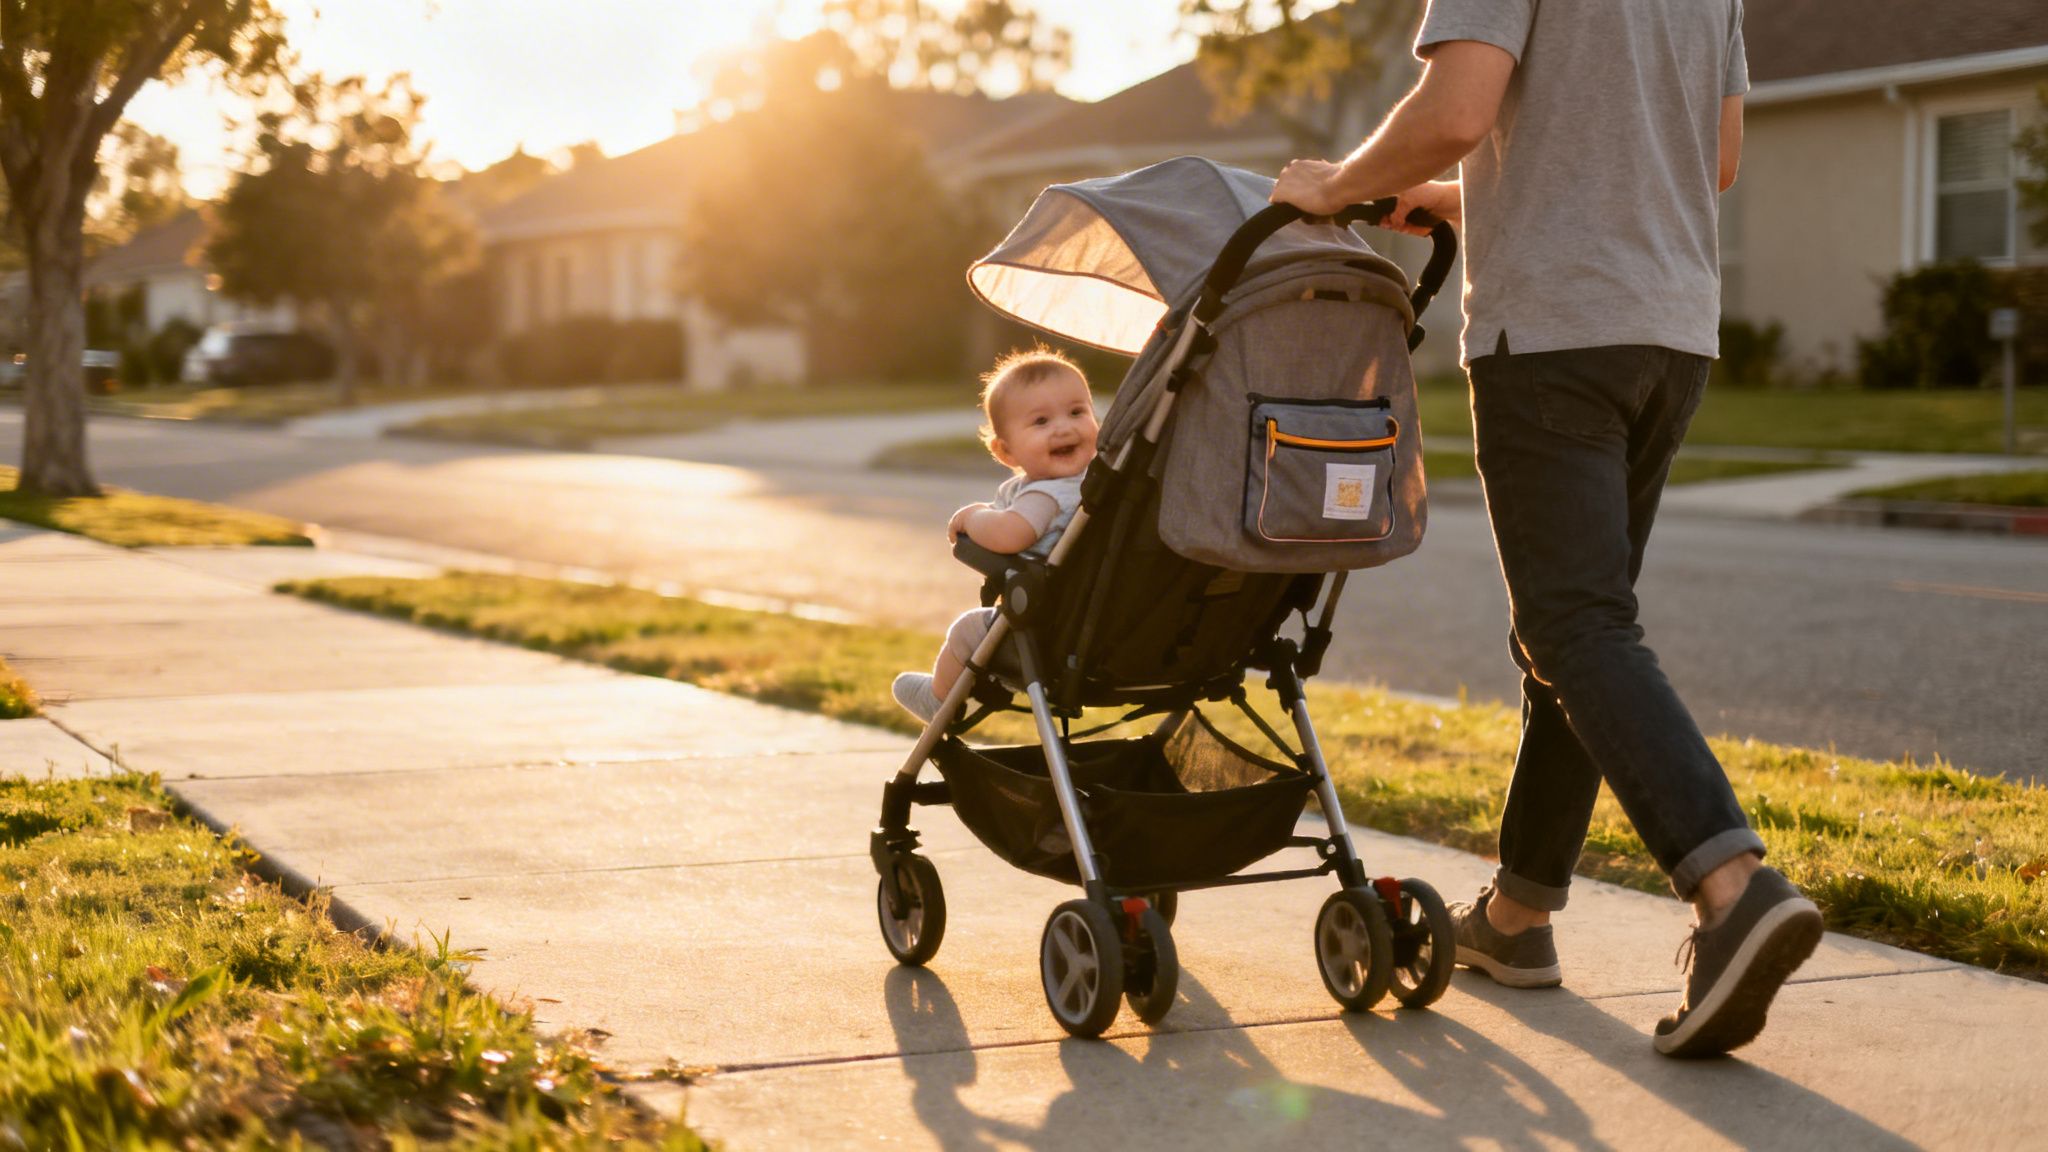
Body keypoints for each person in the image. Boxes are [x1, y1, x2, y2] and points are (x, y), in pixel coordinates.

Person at [1270, 0, 1823, 1059]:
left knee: (1574, 627)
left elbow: (1455, 106)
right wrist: (1455, 197)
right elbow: (1708, 158)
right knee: (1569, 638)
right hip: (1667, 334)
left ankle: (1730, 886)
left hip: (1554, 335)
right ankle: (1516, 919)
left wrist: (1333, 185)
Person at [892, 348, 1098, 723]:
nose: (1064, 427)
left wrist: (974, 516)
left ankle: (940, 700)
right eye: (1041, 421)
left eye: (1077, 412)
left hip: (1048, 632)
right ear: (1006, 451)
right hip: (1105, 630)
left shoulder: (1047, 493)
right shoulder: (1104, 486)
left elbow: (1011, 534)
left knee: (968, 629)